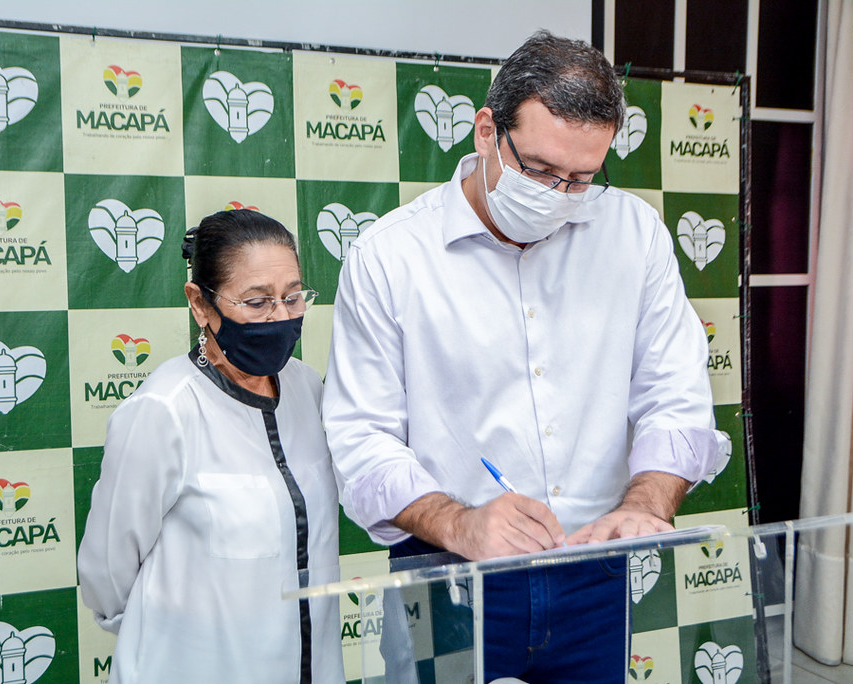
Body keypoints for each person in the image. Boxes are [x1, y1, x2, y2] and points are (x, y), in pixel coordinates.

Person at [322, 31, 730, 683]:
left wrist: (648, 503)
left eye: (581, 179)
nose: (557, 194)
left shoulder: (633, 235)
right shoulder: (390, 257)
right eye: (538, 170)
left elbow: (673, 395)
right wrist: (460, 523)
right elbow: (362, 438)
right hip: (450, 576)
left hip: (596, 574)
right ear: (487, 131)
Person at [79, 209, 345, 683]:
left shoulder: (308, 390)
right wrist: (172, 635)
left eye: (292, 297)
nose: (280, 317)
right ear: (200, 304)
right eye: (257, 302)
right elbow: (108, 577)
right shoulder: (163, 410)